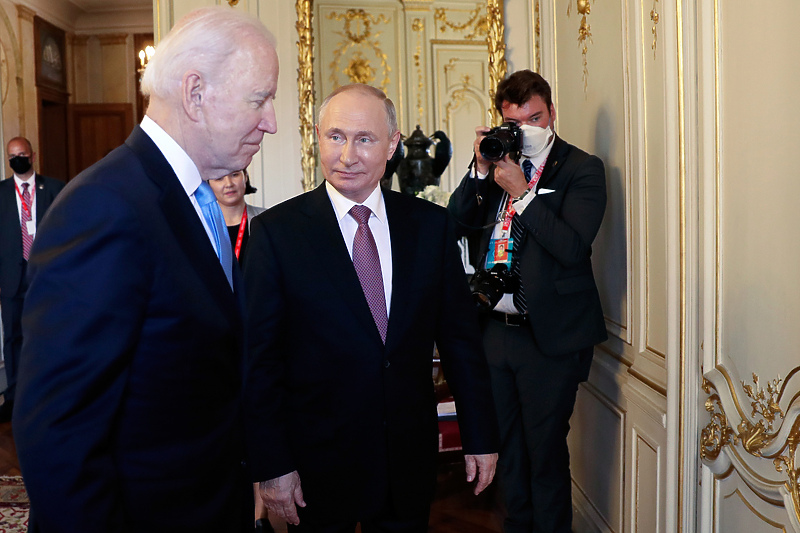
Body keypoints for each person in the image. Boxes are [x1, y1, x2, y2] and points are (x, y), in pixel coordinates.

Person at [13, 7, 279, 532]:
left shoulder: (188, 197)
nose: (270, 120)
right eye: (260, 99)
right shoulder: (104, 206)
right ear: (196, 92)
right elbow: (58, 434)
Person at [243, 83, 499, 533]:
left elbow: (460, 341)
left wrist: (479, 436)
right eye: (335, 137)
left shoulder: (430, 226)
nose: (347, 156)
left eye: (364, 139)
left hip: (407, 461)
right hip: (314, 466)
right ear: (318, 138)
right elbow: (259, 362)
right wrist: (272, 465)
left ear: (393, 144)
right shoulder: (276, 234)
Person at [448, 70, 607, 533]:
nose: (527, 129)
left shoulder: (581, 168)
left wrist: (524, 193)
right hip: (494, 331)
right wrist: (481, 168)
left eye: (535, 117)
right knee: (506, 449)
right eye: (516, 121)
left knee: (545, 451)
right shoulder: (498, 163)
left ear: (551, 113)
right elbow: (457, 221)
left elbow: (573, 248)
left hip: (550, 337)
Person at [0, 137, 64, 423]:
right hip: (11, 278)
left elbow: (66, 232)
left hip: (46, 276)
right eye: (12, 156)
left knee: (48, 334)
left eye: (22, 154)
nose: (17, 160)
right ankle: (13, 398)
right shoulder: (0, 193)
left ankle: (49, 394)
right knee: (13, 337)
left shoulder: (54, 188)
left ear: (32, 156)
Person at [209, 168, 265, 266]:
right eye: (219, 178)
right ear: (208, 184)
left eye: (235, 175)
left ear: (245, 176)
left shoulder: (267, 219)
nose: (229, 184)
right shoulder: (202, 226)